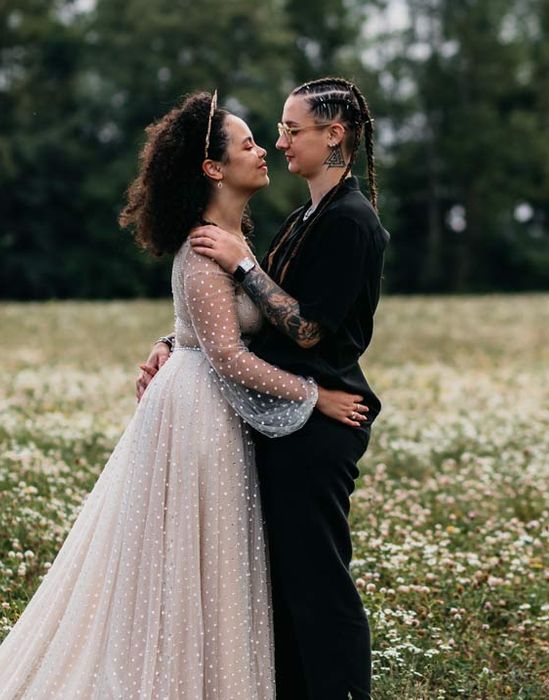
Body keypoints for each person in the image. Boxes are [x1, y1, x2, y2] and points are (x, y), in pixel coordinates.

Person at [0, 91, 366, 699]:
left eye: (273, 134)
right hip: (201, 413)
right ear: (212, 169)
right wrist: (314, 395)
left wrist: (178, 335)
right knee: (195, 555)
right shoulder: (206, 248)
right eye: (249, 141)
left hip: (212, 405)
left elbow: (228, 324)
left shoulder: (240, 240)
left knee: (210, 556)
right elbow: (225, 352)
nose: (265, 148)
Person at [141, 77, 388, 699]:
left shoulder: (349, 223)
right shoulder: (305, 217)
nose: (278, 144)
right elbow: (233, 321)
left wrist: (243, 264)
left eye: (289, 130)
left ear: (334, 136)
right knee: (281, 587)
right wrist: (176, 343)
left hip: (322, 417)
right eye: (269, 133)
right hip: (281, 417)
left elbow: (305, 329)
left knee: (318, 584)